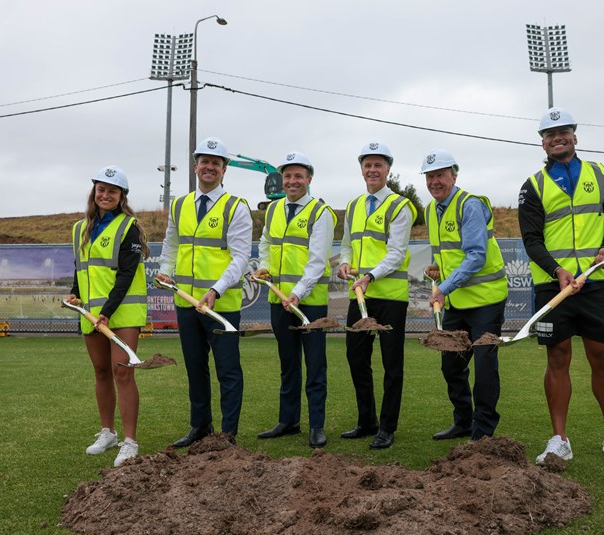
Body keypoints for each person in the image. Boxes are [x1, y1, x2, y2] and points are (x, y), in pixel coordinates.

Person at [518, 107, 604, 465]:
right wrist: (556, 271)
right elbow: (531, 239)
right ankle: (559, 439)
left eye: (564, 131)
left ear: (574, 137)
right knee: (558, 358)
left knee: (601, 357)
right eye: (550, 134)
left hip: (596, 281)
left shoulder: (601, 175)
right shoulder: (532, 186)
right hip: (554, 288)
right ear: (543, 142)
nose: (558, 138)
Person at [156, 137, 251, 447]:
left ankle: (228, 435)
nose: (209, 167)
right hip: (185, 303)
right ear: (195, 166)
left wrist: (216, 290)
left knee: (228, 371)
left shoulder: (236, 207)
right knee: (196, 369)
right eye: (204, 161)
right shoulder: (179, 205)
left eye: (216, 163)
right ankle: (200, 427)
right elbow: (171, 245)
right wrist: (165, 270)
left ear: (224, 170)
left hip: (220, 306)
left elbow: (240, 257)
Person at [421, 149, 509, 441]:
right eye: (430, 176)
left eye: (441, 175)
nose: (435, 181)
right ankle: (463, 421)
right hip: (458, 302)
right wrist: (438, 270)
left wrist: (444, 288)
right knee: (451, 364)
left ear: (454, 176)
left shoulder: (468, 205)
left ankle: (482, 431)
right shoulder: (431, 210)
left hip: (486, 300)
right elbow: (449, 253)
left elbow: (476, 256)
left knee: (484, 366)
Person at [65, 165, 149, 467]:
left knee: (122, 373)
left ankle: (129, 440)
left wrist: (107, 313)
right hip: (92, 314)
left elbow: (126, 275)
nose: (105, 194)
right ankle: (108, 432)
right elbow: (81, 269)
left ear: (121, 196)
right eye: (101, 189)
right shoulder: (79, 228)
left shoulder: (130, 226)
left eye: (112, 191)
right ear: (94, 192)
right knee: (101, 372)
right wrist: (75, 293)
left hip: (122, 313)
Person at [336, 142, 417, 450]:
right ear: (362, 170)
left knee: (391, 364)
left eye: (378, 165)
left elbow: (396, 254)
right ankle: (367, 420)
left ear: (388, 170)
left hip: (391, 296)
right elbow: (346, 244)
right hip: (361, 297)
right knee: (356, 358)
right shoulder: (355, 206)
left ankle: (387, 427)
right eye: (367, 165)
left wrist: (369, 276)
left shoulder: (400, 206)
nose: (372, 170)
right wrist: (345, 262)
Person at [254, 152, 337, 449]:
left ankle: (316, 425)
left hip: (309, 302)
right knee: (288, 365)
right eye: (288, 176)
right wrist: (263, 265)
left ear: (309, 179)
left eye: (298, 176)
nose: (292, 181)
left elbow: (317, 261)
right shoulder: (274, 210)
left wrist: (298, 292)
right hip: (280, 302)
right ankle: (288, 421)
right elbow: (265, 243)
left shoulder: (320, 212)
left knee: (315, 365)